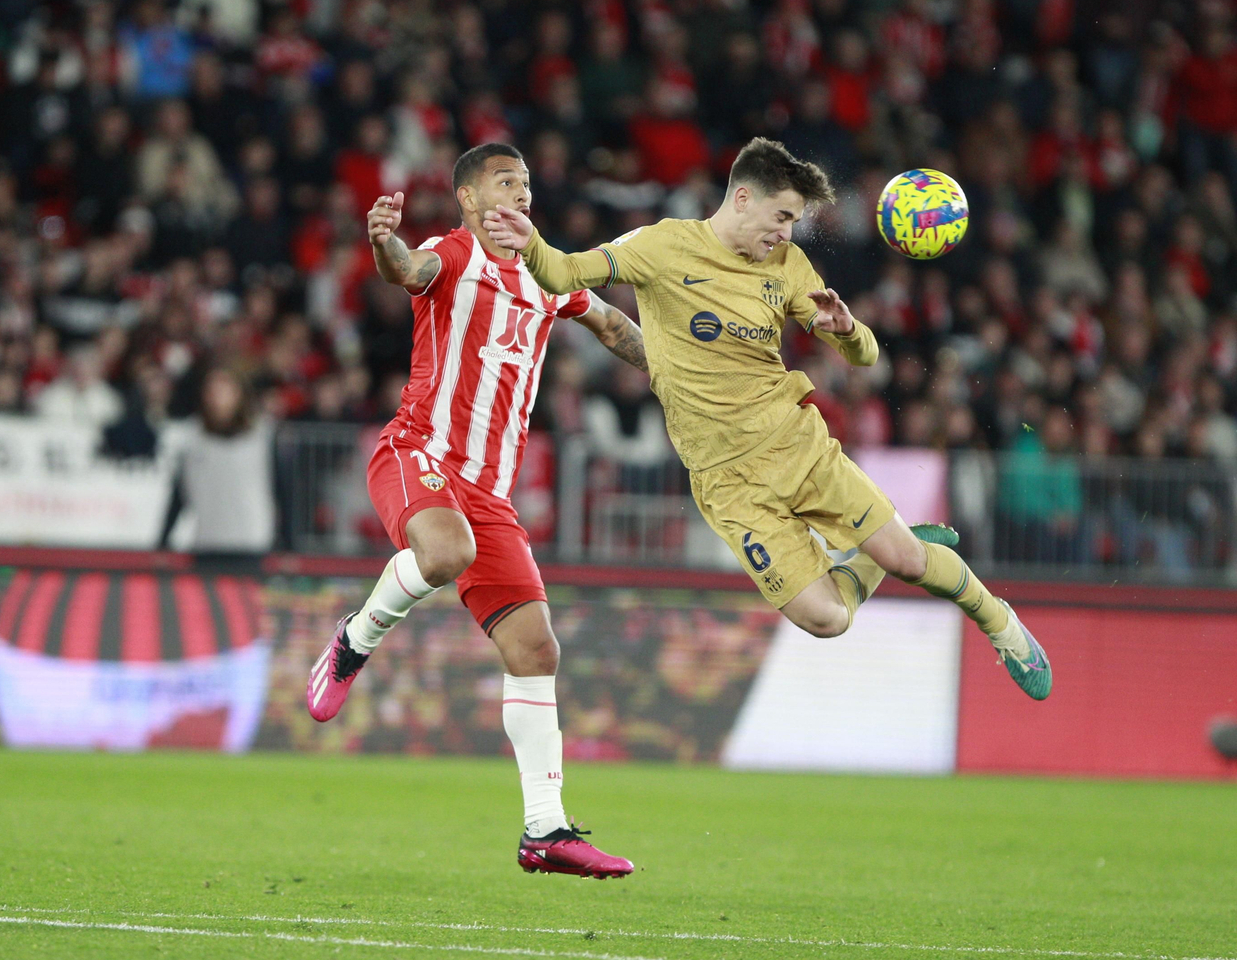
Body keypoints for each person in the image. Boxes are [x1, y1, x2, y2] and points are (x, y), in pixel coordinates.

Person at [482, 137, 1052, 701]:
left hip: (795, 447)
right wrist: (531, 244)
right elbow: (563, 273)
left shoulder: (788, 265)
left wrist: (848, 331)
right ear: (743, 198)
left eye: (795, 221)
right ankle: (873, 558)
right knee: (828, 620)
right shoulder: (661, 246)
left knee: (908, 560)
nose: (787, 232)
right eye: (782, 217)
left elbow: (868, 357)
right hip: (726, 483)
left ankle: (1002, 626)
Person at [306, 143, 648, 879]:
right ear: (467, 199)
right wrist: (382, 242)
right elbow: (407, 269)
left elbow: (615, 329)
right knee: (444, 553)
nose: (520, 193)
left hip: (489, 495)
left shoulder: (548, 273)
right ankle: (353, 640)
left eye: (525, 184)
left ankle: (545, 831)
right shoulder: (454, 253)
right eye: (504, 181)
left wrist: (686, 372)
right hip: (416, 453)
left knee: (536, 650)